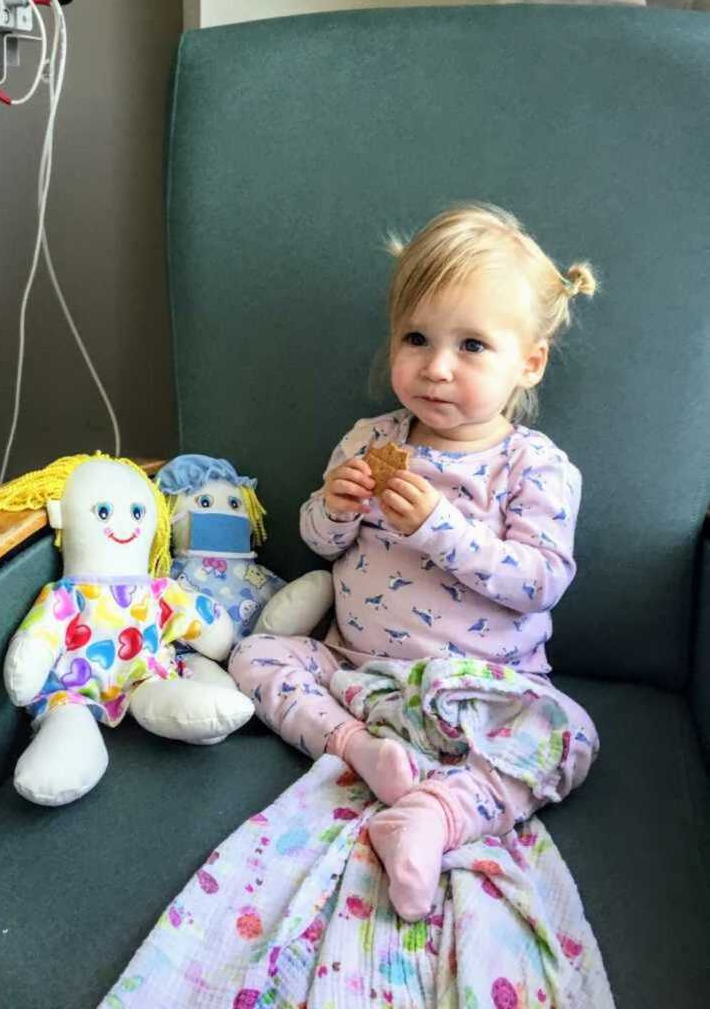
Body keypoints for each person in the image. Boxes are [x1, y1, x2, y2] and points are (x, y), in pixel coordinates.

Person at [229, 202, 601, 921]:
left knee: (572, 736)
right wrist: (333, 505)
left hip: (486, 691)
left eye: (471, 346)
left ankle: (437, 814)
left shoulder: (535, 467)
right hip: (358, 677)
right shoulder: (369, 439)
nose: (435, 367)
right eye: (416, 338)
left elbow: (539, 583)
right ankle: (359, 753)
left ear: (529, 361)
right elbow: (321, 543)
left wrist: (441, 528)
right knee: (255, 656)